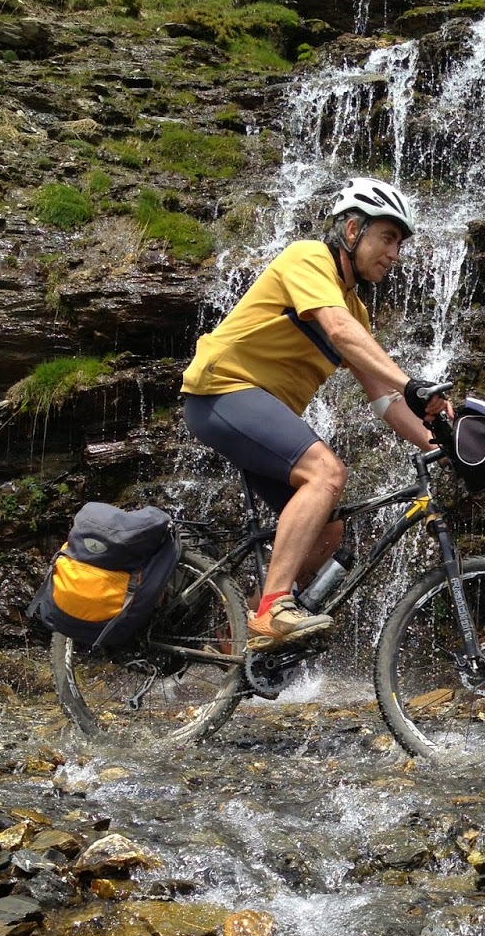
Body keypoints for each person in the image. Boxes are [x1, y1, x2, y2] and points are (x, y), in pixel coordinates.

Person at [180, 178, 452, 650]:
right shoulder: (308, 258)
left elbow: (385, 400)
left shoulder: (356, 311)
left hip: (258, 414)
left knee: (328, 530)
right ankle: (272, 611)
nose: (395, 253)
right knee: (326, 473)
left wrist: (441, 444)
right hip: (220, 393)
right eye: (387, 238)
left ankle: (235, 641)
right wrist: (414, 384)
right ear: (352, 230)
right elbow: (341, 333)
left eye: (400, 244)